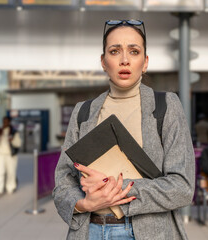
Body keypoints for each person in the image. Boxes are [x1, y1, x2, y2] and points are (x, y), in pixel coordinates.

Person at [53, 19, 195, 240]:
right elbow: (63, 180)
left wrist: (113, 189)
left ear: (145, 62)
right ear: (103, 61)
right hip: (89, 231)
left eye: (134, 51)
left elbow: (182, 187)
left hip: (146, 232)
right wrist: (83, 203)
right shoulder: (84, 111)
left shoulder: (166, 106)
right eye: (115, 51)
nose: (125, 60)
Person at [0, 116, 21, 198]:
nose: (5, 123)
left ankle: (10, 187)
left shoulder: (14, 132)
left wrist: (12, 140)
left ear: (9, 122)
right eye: (3, 121)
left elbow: (18, 144)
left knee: (11, 172)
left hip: (10, 154)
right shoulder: (0, 131)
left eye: (6, 121)